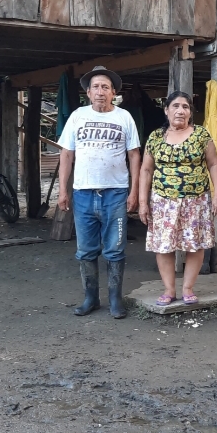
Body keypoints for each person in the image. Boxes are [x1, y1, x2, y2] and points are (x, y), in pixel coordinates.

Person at [57, 66, 141, 319]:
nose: (100, 91)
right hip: (83, 192)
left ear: (114, 92)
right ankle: (90, 298)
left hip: (115, 193)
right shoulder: (77, 116)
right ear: (88, 92)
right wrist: (62, 190)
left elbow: (134, 155)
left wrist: (134, 191)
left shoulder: (124, 117)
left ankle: (115, 299)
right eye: (96, 87)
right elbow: (66, 154)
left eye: (106, 87)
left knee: (115, 249)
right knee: (86, 250)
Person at [138, 91, 217, 306]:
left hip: (196, 201)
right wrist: (142, 202)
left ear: (190, 112)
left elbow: (213, 163)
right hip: (163, 202)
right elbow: (146, 170)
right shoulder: (155, 137)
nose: (180, 111)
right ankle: (169, 290)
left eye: (185, 107)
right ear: (166, 110)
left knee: (195, 244)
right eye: (175, 106)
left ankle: (187, 288)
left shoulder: (201, 135)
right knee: (163, 245)